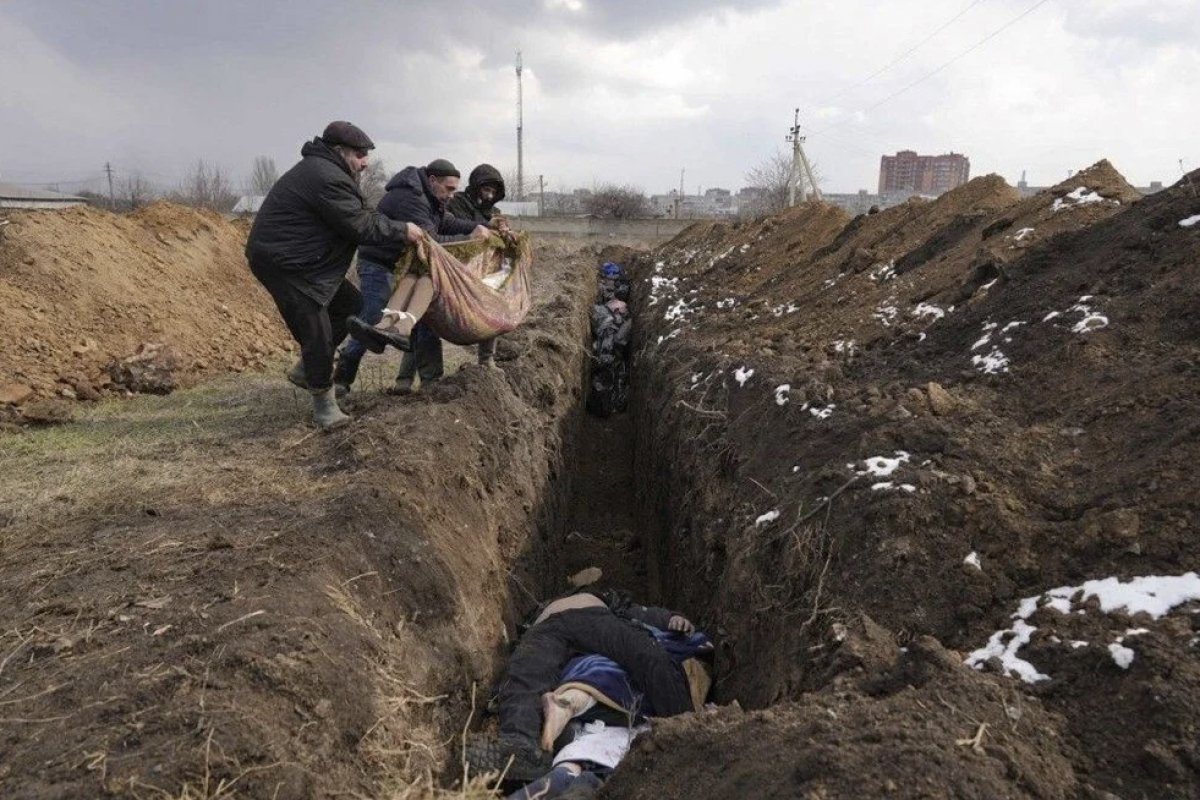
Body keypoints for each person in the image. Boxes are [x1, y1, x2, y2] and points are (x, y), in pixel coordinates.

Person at [244, 120, 421, 430]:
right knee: (317, 330)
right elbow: (359, 226)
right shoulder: (327, 178)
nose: (365, 162)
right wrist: (402, 230)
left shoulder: (331, 172)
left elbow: (362, 216)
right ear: (339, 151)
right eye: (359, 154)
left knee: (350, 306)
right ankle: (324, 406)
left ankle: (306, 370)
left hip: (308, 262)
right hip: (288, 264)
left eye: (366, 154)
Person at [467, 588, 698, 782]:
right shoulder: (537, 613)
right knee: (526, 672)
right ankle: (521, 748)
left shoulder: (605, 597)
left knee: (648, 655)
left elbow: (643, 614)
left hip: (593, 618)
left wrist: (671, 617)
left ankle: (686, 730)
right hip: (547, 629)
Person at [335, 159, 489, 395]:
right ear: (433, 181)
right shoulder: (411, 199)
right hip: (380, 264)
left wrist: (477, 227)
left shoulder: (430, 198)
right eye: (448, 189)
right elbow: (430, 242)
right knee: (370, 320)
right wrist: (470, 240)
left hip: (402, 265)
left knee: (423, 321)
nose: (451, 195)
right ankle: (340, 380)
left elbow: (447, 222)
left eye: (455, 189)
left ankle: (430, 381)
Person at [446, 164, 511, 368]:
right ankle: (415, 375)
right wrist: (485, 225)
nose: (489, 195)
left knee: (493, 306)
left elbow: (498, 238)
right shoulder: (457, 203)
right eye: (486, 189)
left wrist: (505, 232)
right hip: (455, 268)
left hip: (484, 270)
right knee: (430, 319)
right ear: (476, 187)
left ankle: (486, 359)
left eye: (493, 191)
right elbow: (454, 226)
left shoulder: (495, 212)